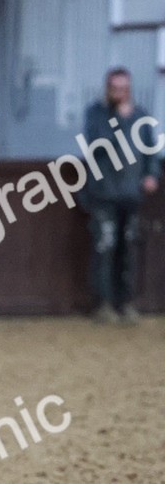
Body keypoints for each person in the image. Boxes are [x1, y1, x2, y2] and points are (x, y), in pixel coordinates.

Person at [81, 68, 160, 323]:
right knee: (105, 247)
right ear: (107, 88)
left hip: (130, 193)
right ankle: (104, 304)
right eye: (115, 88)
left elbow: (151, 149)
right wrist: (121, 121)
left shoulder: (141, 116)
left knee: (127, 250)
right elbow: (98, 144)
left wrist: (151, 175)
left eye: (124, 88)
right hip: (103, 193)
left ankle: (125, 303)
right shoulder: (96, 114)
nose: (119, 93)